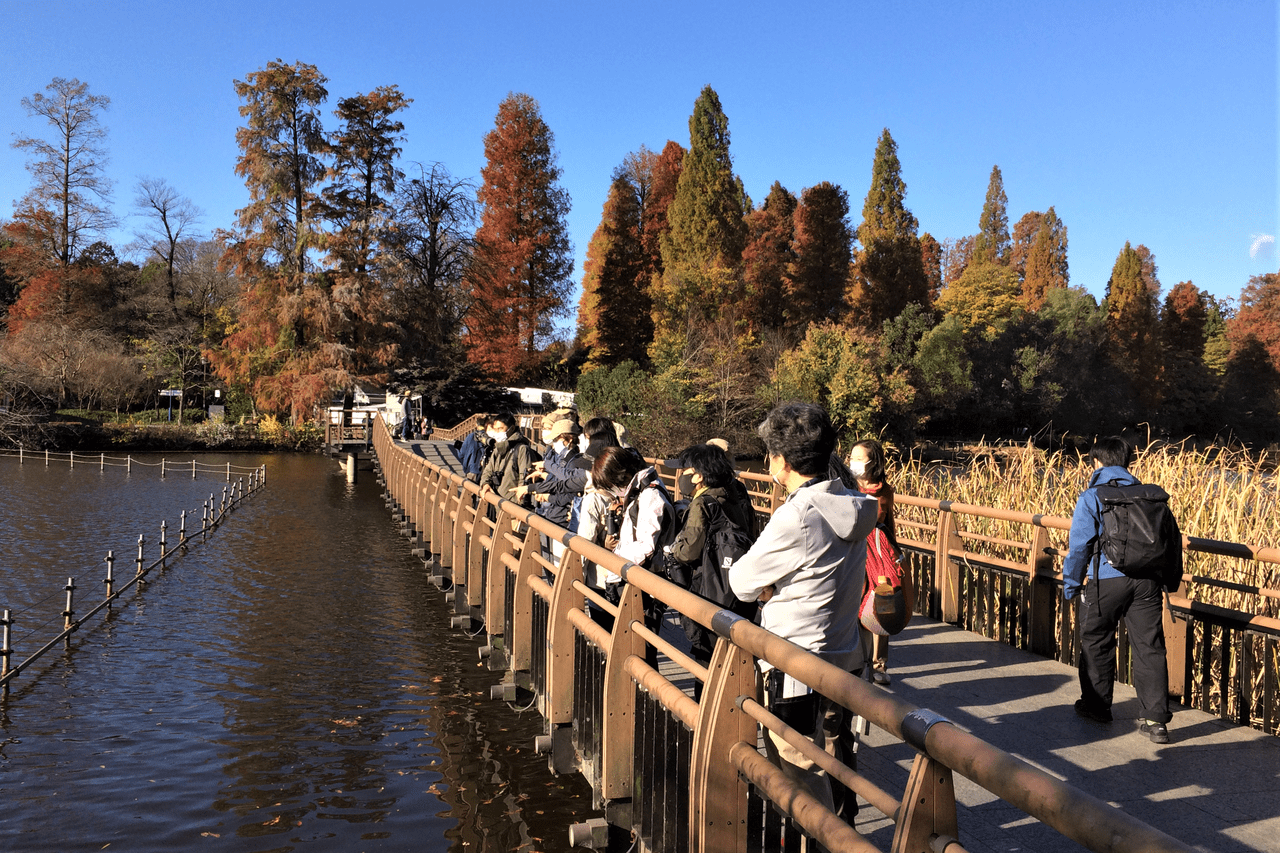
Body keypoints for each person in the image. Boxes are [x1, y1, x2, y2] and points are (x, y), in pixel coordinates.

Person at [729, 403, 879, 812]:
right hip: (844, 657)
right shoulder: (855, 505)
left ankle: (824, 840)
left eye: (770, 453)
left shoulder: (796, 515)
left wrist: (771, 588)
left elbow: (741, 583)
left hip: (795, 665)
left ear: (782, 459)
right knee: (838, 760)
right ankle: (843, 833)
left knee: (799, 776)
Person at [1062, 436, 1173, 744]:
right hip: (1147, 582)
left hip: (1106, 580)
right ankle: (1156, 721)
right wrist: (1169, 581)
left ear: (1097, 463)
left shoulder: (1092, 496)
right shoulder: (1152, 496)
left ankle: (1097, 707)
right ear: (1127, 462)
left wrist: (1071, 585)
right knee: (1149, 647)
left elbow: (1079, 547)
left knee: (1096, 640)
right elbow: (1170, 542)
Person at [669, 443, 757, 677]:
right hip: (736, 587)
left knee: (705, 657)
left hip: (707, 585)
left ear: (698, 475)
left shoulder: (702, 503)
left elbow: (689, 551)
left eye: (686, 470)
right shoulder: (735, 493)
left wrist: (673, 549)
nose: (682, 476)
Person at [592, 446, 675, 652]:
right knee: (635, 644)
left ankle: (644, 684)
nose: (612, 491)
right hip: (636, 576)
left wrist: (615, 559)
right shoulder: (644, 490)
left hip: (644, 582)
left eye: (610, 485)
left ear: (620, 476)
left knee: (641, 648)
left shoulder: (650, 496)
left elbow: (647, 546)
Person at [850, 439, 897, 685]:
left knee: (883, 604)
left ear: (873, 461)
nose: (854, 463)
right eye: (852, 457)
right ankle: (858, 660)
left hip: (879, 555)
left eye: (859, 458)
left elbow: (889, 525)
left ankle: (880, 664)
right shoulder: (847, 487)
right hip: (856, 552)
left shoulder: (885, 490)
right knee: (857, 604)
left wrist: (896, 553)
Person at [478, 412, 539, 502]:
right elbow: (488, 470)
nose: (497, 433)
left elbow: (524, 478)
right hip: (496, 500)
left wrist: (520, 502)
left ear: (512, 428)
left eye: (500, 428)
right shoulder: (497, 448)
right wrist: (485, 484)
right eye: (495, 429)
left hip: (513, 503)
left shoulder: (522, 449)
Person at [455, 415, 491, 482]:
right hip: (487, 471)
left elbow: (461, 454)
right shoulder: (490, 438)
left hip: (472, 469)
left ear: (476, 424)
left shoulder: (471, 436)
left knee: (470, 490)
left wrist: (457, 448)